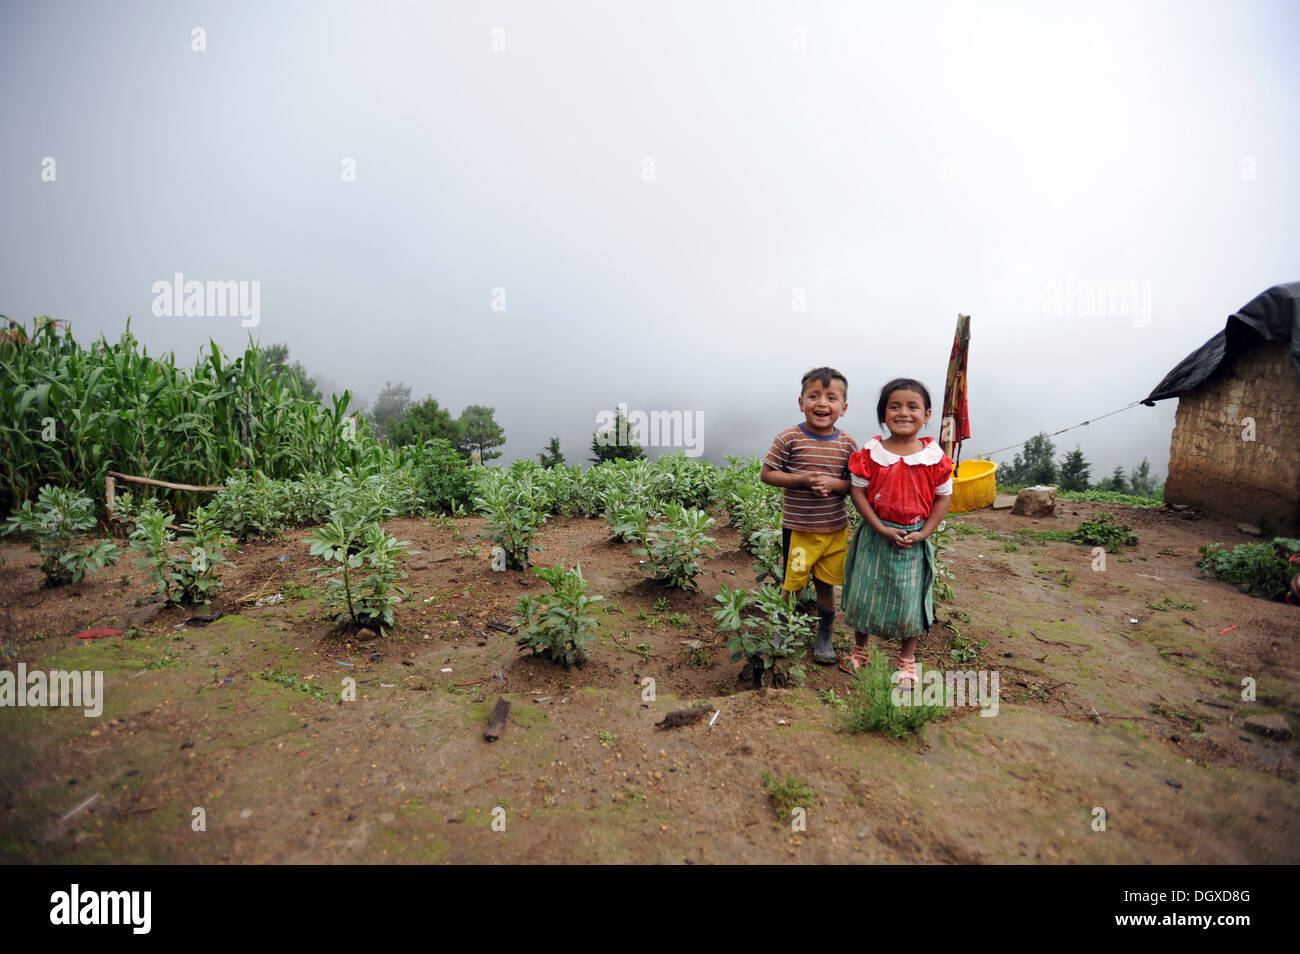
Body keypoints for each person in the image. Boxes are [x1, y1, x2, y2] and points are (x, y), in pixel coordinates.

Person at [840, 378, 953, 686]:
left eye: (913, 406)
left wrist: (924, 533)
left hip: (913, 538)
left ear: (927, 415)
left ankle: (907, 660)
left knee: (911, 599)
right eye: (895, 406)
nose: (904, 412)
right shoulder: (871, 453)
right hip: (876, 534)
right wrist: (879, 527)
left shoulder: (934, 458)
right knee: (866, 592)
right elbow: (858, 492)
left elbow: (943, 497)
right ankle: (859, 649)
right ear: (883, 414)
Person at [761, 368, 858, 666]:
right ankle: (781, 630)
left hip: (833, 531)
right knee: (792, 583)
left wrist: (835, 485)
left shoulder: (848, 445)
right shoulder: (789, 438)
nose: (822, 403)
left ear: (844, 407)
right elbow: (767, 474)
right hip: (800, 529)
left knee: (826, 585)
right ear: (801, 402)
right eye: (814, 396)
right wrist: (801, 480)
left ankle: (824, 634)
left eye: (832, 397)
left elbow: (856, 486)